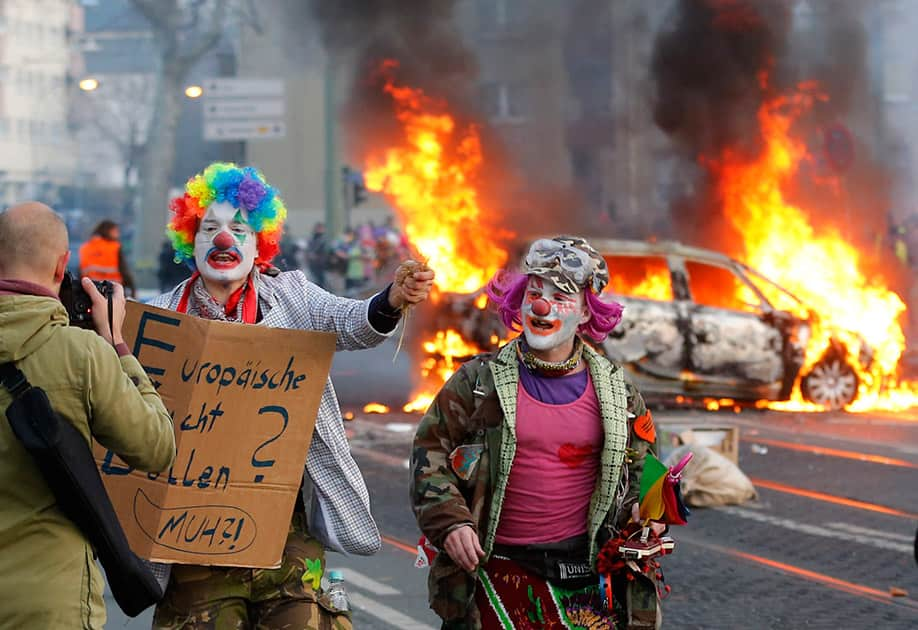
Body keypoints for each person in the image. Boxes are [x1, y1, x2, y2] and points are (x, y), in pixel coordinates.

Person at [149, 162, 435, 629]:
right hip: (194, 535)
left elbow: (350, 323)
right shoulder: (161, 319)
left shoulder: (292, 297)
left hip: (286, 527)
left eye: (239, 228)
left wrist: (391, 300)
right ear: (190, 239)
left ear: (260, 242)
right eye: (209, 228)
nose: (224, 239)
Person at [410, 235, 664, 629]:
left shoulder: (619, 392)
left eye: (561, 296)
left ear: (585, 313)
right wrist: (452, 522)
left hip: (585, 582)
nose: (542, 306)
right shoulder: (479, 382)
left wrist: (647, 513)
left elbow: (645, 470)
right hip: (496, 576)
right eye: (535, 292)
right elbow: (429, 453)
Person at [0, 202, 176, 629]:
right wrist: (116, 344)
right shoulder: (82, 355)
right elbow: (157, 447)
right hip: (50, 602)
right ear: (62, 269)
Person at [79, 219, 136, 297]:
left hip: (90, 292)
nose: (118, 234)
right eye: (116, 231)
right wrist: (132, 288)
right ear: (108, 231)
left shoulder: (86, 248)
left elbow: (80, 271)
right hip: (113, 292)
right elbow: (124, 270)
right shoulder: (115, 247)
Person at [306, 221, 330, 288]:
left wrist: (317, 257)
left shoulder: (324, 239)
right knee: (314, 280)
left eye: (321, 228)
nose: (319, 230)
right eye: (318, 228)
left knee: (321, 281)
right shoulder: (312, 239)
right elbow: (308, 249)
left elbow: (325, 252)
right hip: (313, 263)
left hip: (321, 264)